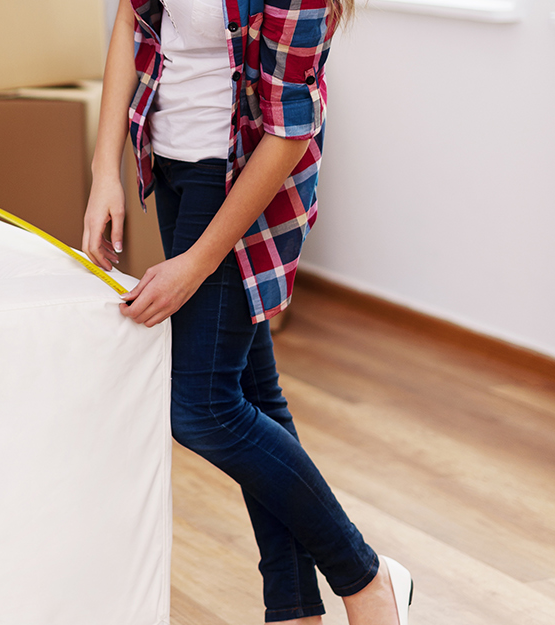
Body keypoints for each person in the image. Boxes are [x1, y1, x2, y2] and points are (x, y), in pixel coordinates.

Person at [83, 1, 414, 624]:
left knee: (203, 408)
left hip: (241, 178)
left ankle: (365, 575)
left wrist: (196, 263)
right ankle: (292, 607)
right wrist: (104, 169)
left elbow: (289, 131)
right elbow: (134, 17)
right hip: (172, 161)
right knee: (254, 392)